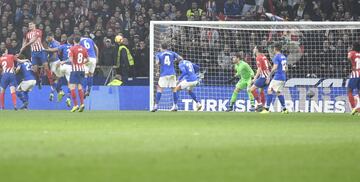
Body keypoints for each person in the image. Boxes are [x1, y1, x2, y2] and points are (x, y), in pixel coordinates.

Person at [19, 22, 53, 89]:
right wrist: (20, 51)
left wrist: (26, 45)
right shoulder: (28, 34)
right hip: (33, 53)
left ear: (34, 25)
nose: (30, 26)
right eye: (29, 25)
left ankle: (51, 82)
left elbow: (33, 40)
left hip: (41, 51)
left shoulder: (38, 31)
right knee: (35, 69)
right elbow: (25, 42)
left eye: (31, 24)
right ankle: (39, 79)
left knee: (46, 66)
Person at [151, 42, 183, 112]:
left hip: (164, 74)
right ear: (167, 47)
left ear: (161, 47)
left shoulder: (158, 54)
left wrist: (157, 71)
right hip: (172, 73)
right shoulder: (172, 53)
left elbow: (157, 63)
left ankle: (156, 105)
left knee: (159, 89)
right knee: (174, 89)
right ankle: (175, 106)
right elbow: (181, 58)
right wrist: (174, 60)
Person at [261, 43, 289, 114]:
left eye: (273, 48)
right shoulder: (283, 56)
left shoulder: (276, 56)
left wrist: (269, 75)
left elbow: (275, 67)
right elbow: (286, 69)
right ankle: (284, 109)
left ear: (275, 49)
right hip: (283, 77)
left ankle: (266, 109)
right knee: (278, 92)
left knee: (270, 90)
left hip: (278, 77)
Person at [65, 35, 89, 112]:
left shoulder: (72, 49)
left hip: (75, 70)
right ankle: (82, 104)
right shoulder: (84, 49)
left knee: (72, 87)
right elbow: (87, 59)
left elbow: (71, 60)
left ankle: (75, 105)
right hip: (82, 70)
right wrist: (82, 63)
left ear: (74, 41)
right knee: (80, 87)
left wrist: (65, 62)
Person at [249, 46, 270, 111]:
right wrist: (269, 76)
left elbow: (259, 69)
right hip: (267, 76)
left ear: (257, 50)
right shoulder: (264, 56)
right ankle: (262, 106)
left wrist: (255, 78)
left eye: (254, 48)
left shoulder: (258, 57)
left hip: (263, 77)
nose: (253, 49)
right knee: (261, 90)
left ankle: (259, 104)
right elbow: (269, 65)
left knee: (251, 89)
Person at [347, 42, 360, 115]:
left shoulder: (352, 52)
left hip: (355, 74)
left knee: (349, 90)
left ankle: (353, 107)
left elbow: (349, 59)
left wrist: (352, 65)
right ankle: (359, 108)